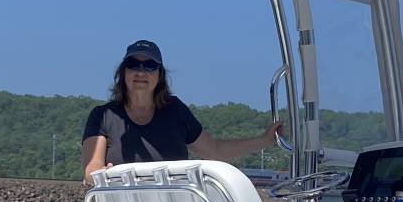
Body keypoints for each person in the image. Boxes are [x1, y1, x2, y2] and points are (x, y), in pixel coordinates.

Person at [81, 39, 282, 181]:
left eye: (149, 65)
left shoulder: (175, 111)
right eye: (133, 64)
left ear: (159, 75)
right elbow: (92, 169)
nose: (141, 71)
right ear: (123, 72)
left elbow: (214, 151)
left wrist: (264, 140)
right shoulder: (103, 116)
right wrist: (102, 175)